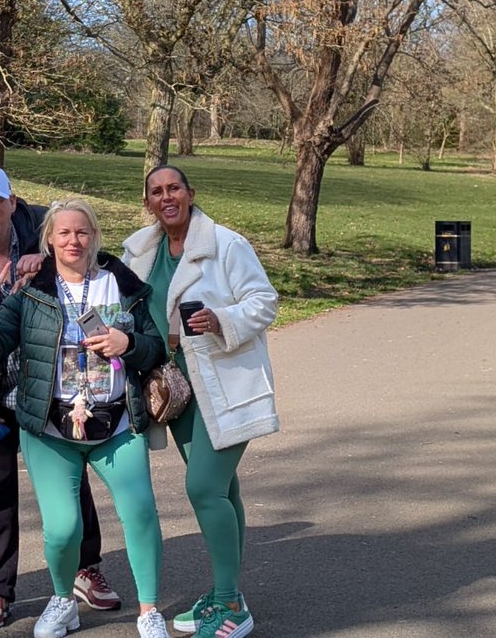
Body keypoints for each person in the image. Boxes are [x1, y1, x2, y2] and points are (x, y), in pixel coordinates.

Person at [0, 167, 122, 628]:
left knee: (71, 483)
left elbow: (89, 261)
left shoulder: (46, 235)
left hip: (50, 388)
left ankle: (85, 568)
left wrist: (45, 260)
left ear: (12, 203)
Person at [0, 198, 170, 638]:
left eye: (81, 232)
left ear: (94, 236)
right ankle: (63, 600)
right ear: (49, 239)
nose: (73, 240)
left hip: (117, 425)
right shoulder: (32, 291)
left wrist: (128, 344)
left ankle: (149, 610)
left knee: (140, 512)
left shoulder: (123, 286)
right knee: (63, 529)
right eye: (63, 233)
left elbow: (156, 349)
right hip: (50, 429)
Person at [122, 166, 279, 638]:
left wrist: (221, 319)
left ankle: (230, 604)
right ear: (148, 202)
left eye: (174, 188)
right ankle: (227, 592)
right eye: (156, 191)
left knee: (204, 488)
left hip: (224, 383)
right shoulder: (140, 251)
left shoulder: (226, 245)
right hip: (175, 391)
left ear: (190, 194)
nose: (166, 197)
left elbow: (264, 301)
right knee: (223, 490)